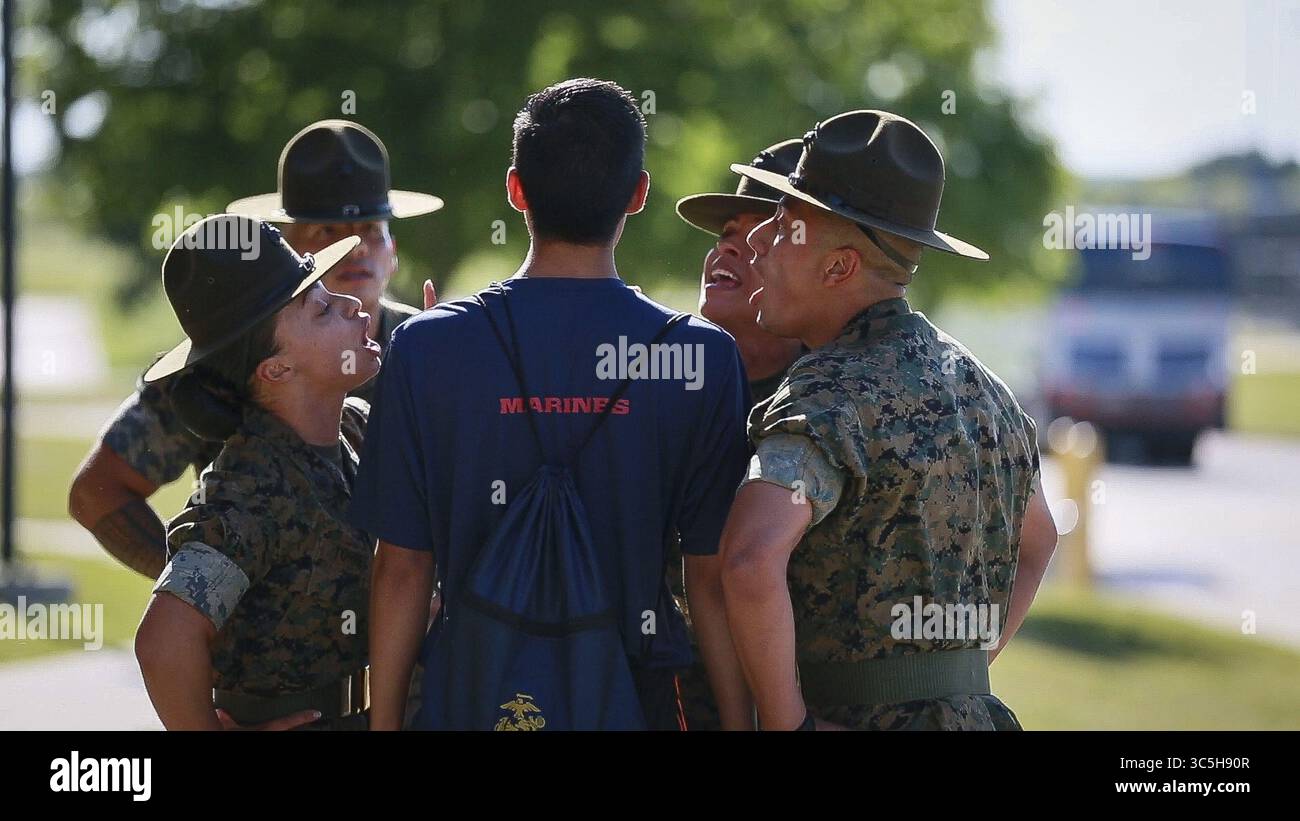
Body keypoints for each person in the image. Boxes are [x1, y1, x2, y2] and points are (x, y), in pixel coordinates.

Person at [350, 78, 753, 731]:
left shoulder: (425, 347)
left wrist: (385, 725)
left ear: (515, 189)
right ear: (639, 194)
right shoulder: (703, 358)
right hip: (628, 700)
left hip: (469, 698)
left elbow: (401, 568)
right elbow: (710, 580)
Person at [717, 110, 1059, 730]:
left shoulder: (826, 393)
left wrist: (786, 724)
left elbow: (747, 557)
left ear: (840, 266)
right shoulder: (984, 388)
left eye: (785, 224)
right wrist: (957, 673)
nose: (760, 239)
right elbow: (1041, 539)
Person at [68, 119, 440, 581]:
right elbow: (98, 492)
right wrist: (207, 593)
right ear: (289, 251)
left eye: (370, 229)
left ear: (393, 250)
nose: (355, 247)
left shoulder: (431, 346)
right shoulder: (223, 364)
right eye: (327, 231)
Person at [133, 214, 379, 730]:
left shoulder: (352, 428)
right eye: (322, 310)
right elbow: (164, 638)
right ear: (277, 369)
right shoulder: (253, 486)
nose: (352, 305)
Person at [669, 138, 808, 729]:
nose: (726, 246)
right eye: (724, 231)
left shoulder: (824, 400)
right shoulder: (662, 382)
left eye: (753, 236)